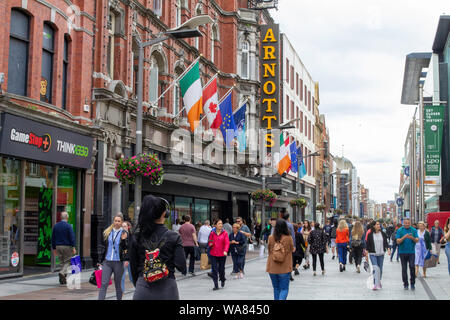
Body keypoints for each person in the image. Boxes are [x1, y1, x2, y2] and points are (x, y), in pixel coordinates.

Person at [129, 195, 186, 300]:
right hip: (167, 289)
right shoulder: (174, 237)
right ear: (165, 213)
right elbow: (181, 265)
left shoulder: (137, 236)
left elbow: (133, 267)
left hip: (143, 288)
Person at [98, 213, 129, 300]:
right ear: (113, 221)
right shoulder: (108, 232)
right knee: (104, 284)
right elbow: (104, 247)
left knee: (117, 284)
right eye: (115, 221)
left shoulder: (124, 232)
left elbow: (126, 248)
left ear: (121, 222)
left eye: (119, 221)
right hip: (107, 262)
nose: (117, 222)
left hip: (118, 262)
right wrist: (100, 261)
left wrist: (123, 240)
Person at [266, 219, 295, 300]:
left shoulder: (271, 237)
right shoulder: (288, 238)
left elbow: (269, 250)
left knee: (276, 288)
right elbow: (292, 249)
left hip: (272, 267)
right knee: (284, 289)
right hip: (285, 268)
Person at [51, 211, 76, 285]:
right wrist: (73, 246)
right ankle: (62, 273)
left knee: (61, 262)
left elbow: (53, 238)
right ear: (67, 218)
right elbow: (72, 237)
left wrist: (54, 248)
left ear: (60, 218)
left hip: (58, 246)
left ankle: (62, 280)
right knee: (68, 261)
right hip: (67, 246)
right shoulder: (68, 226)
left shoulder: (56, 226)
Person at [366, 221, 389, 290]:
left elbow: (385, 242)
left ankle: (378, 281)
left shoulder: (383, 234)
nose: (379, 225)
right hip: (372, 253)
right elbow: (368, 244)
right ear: (373, 226)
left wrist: (388, 249)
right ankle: (375, 283)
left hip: (381, 253)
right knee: (376, 268)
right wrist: (366, 253)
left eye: (379, 224)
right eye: (377, 224)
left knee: (380, 269)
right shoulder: (370, 234)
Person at [396, 219, 419, 290]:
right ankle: (405, 284)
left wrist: (411, 237)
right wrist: (404, 237)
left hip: (411, 252)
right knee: (404, 268)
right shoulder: (400, 230)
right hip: (402, 252)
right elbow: (398, 241)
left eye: (408, 223)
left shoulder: (413, 230)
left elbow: (417, 240)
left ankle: (412, 283)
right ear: (403, 223)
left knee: (412, 267)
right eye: (406, 223)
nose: (407, 224)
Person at [208, 219, 230, 290]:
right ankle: (216, 285)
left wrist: (225, 250)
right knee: (214, 269)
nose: (221, 225)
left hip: (222, 254)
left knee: (221, 269)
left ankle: (222, 279)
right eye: (219, 224)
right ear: (215, 225)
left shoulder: (225, 233)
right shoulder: (212, 233)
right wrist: (210, 244)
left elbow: (227, 243)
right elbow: (209, 241)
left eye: (221, 223)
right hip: (213, 254)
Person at [121, 220, 133, 292]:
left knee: (132, 277)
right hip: (124, 258)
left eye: (124, 226)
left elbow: (131, 248)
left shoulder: (131, 236)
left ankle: (138, 289)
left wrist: (128, 259)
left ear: (128, 227)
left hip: (130, 258)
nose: (123, 228)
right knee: (122, 277)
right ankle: (121, 292)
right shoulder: (121, 236)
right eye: (122, 226)